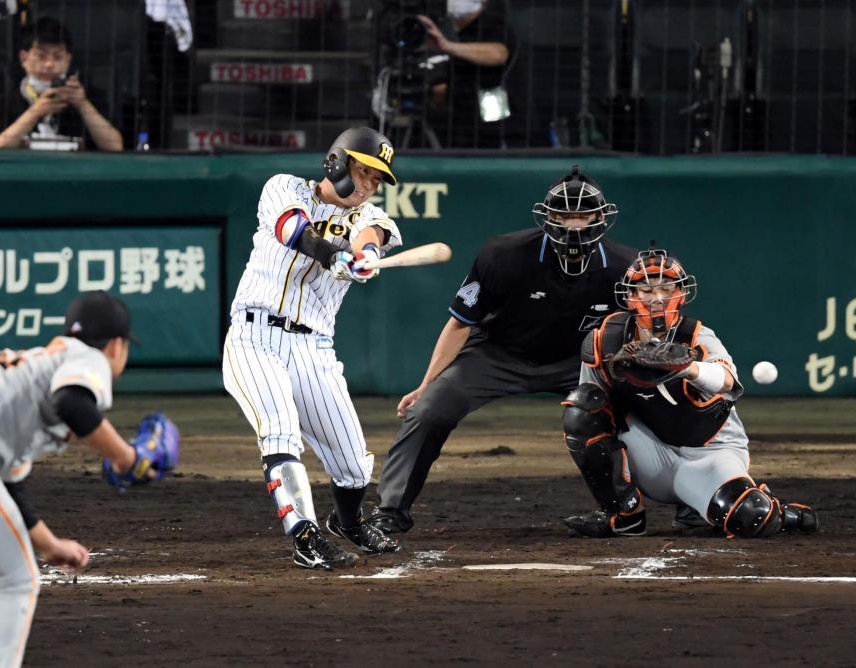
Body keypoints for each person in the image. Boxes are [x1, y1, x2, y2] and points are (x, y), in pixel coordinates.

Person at [369, 166, 635, 535]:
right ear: (548, 216)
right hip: (497, 354)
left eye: (583, 214)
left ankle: (626, 511)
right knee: (428, 410)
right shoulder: (504, 254)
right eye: (564, 214)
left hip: (576, 362)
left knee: (638, 411)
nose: (574, 224)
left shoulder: (625, 268)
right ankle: (391, 509)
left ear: (600, 217)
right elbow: (460, 323)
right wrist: (425, 385)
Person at [0, 291, 158, 667]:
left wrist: (50, 545)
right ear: (116, 345)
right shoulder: (89, 358)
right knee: (16, 583)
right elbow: (72, 404)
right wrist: (127, 458)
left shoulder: (34, 368)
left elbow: (10, 488)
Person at [222, 126, 403, 570]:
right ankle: (305, 537)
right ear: (337, 163)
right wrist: (330, 255)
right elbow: (293, 229)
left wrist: (364, 257)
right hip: (254, 337)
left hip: (313, 348)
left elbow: (371, 235)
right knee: (279, 431)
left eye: (377, 179)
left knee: (354, 467)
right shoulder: (284, 187)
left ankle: (348, 523)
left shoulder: (371, 216)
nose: (368, 185)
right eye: (363, 172)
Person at [561, 248, 819, 538]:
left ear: (681, 294)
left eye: (666, 288)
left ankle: (775, 511)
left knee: (751, 516)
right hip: (651, 451)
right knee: (581, 409)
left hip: (708, 451)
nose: (657, 298)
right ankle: (623, 515)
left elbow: (726, 381)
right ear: (630, 296)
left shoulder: (698, 336)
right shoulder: (605, 341)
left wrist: (686, 367)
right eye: (647, 290)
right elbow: (590, 398)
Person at [0, 17, 123, 151]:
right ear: (24, 58)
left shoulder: (89, 97)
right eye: (41, 56)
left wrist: (83, 105)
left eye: (58, 57)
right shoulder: (5, 101)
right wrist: (35, 113)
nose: (49, 64)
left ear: (68, 60)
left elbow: (115, 146)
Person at [418, 0, 515, 148]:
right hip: (458, 129)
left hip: (495, 134)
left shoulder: (494, 26)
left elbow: (499, 54)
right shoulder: (443, 29)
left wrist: (448, 46)